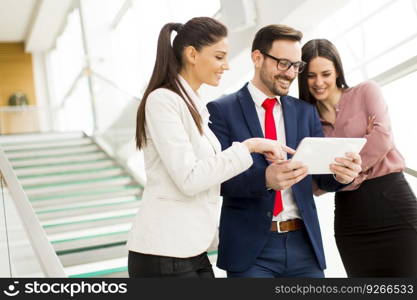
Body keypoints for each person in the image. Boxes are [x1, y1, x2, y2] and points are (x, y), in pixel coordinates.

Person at [127, 17, 292, 278]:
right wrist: (248, 147)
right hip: (163, 252)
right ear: (192, 54)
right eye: (219, 57)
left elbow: (208, 173)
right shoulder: (163, 101)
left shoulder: (194, 106)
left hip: (192, 250)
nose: (226, 65)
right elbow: (190, 178)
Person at [206, 24, 362, 278]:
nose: (291, 74)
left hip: (304, 246)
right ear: (257, 58)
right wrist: (265, 180)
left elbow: (322, 177)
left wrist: (341, 175)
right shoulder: (222, 110)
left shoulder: (305, 112)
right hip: (250, 251)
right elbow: (216, 180)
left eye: (296, 66)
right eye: (283, 64)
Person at [298, 38, 417, 277]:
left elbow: (383, 137)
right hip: (351, 218)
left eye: (326, 73)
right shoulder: (305, 119)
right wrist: (364, 144)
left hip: (392, 201)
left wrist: (344, 174)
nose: (319, 82)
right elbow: (313, 181)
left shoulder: (366, 92)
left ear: (338, 71)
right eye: (311, 76)